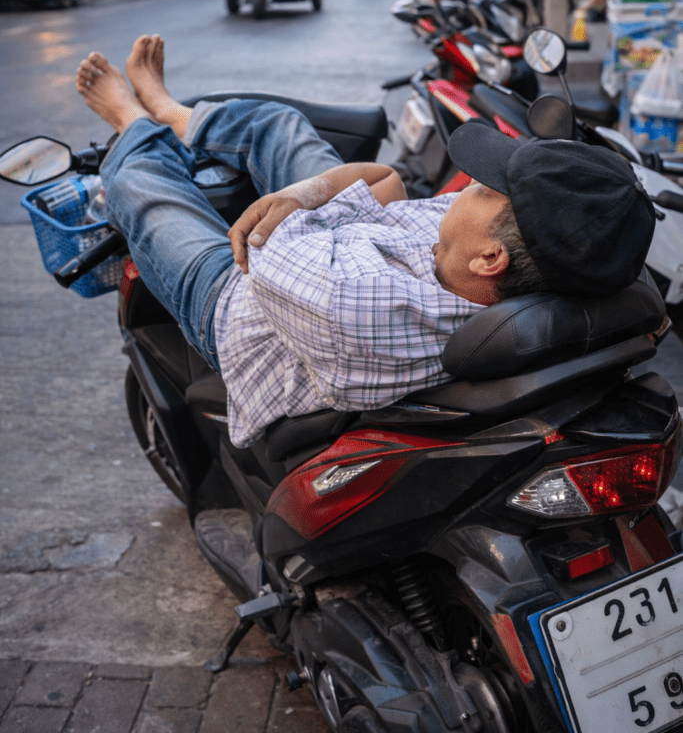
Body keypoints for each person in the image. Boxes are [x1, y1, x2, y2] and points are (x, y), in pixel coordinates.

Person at [74, 38, 656, 448]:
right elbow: (389, 182)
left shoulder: (354, 303)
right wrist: (313, 197)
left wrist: (314, 200)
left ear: (490, 258)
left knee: (144, 192)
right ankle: (174, 112)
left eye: (481, 187)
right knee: (282, 127)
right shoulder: (486, 264)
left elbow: (260, 238)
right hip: (326, 245)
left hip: (240, 304)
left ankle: (131, 118)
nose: (463, 187)